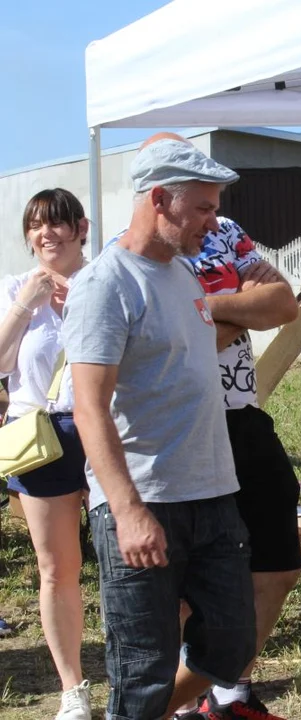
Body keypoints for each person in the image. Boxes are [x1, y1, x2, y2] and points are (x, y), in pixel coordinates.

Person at [63, 136, 256, 720]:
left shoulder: (184, 276)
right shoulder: (106, 284)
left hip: (213, 496)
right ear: (159, 201)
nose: (213, 221)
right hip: (147, 499)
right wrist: (127, 511)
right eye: (202, 207)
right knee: (144, 668)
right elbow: (89, 407)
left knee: (232, 643)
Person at [173, 208, 300, 719]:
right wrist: (238, 306)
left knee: (280, 564)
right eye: (200, 199)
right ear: (162, 195)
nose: (211, 210)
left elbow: (283, 304)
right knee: (191, 575)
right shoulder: (137, 252)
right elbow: (177, 342)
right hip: (184, 423)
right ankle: (181, 701)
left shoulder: (226, 231)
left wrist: (207, 306)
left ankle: (229, 691)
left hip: (243, 418)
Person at [0, 189, 92, 720]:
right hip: (37, 435)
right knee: (57, 567)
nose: (46, 234)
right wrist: (24, 304)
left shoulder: (104, 281)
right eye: (36, 225)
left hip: (104, 431)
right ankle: (73, 689)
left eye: (57, 223)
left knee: (135, 562)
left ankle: (149, 679)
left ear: (82, 227)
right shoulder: (17, 287)